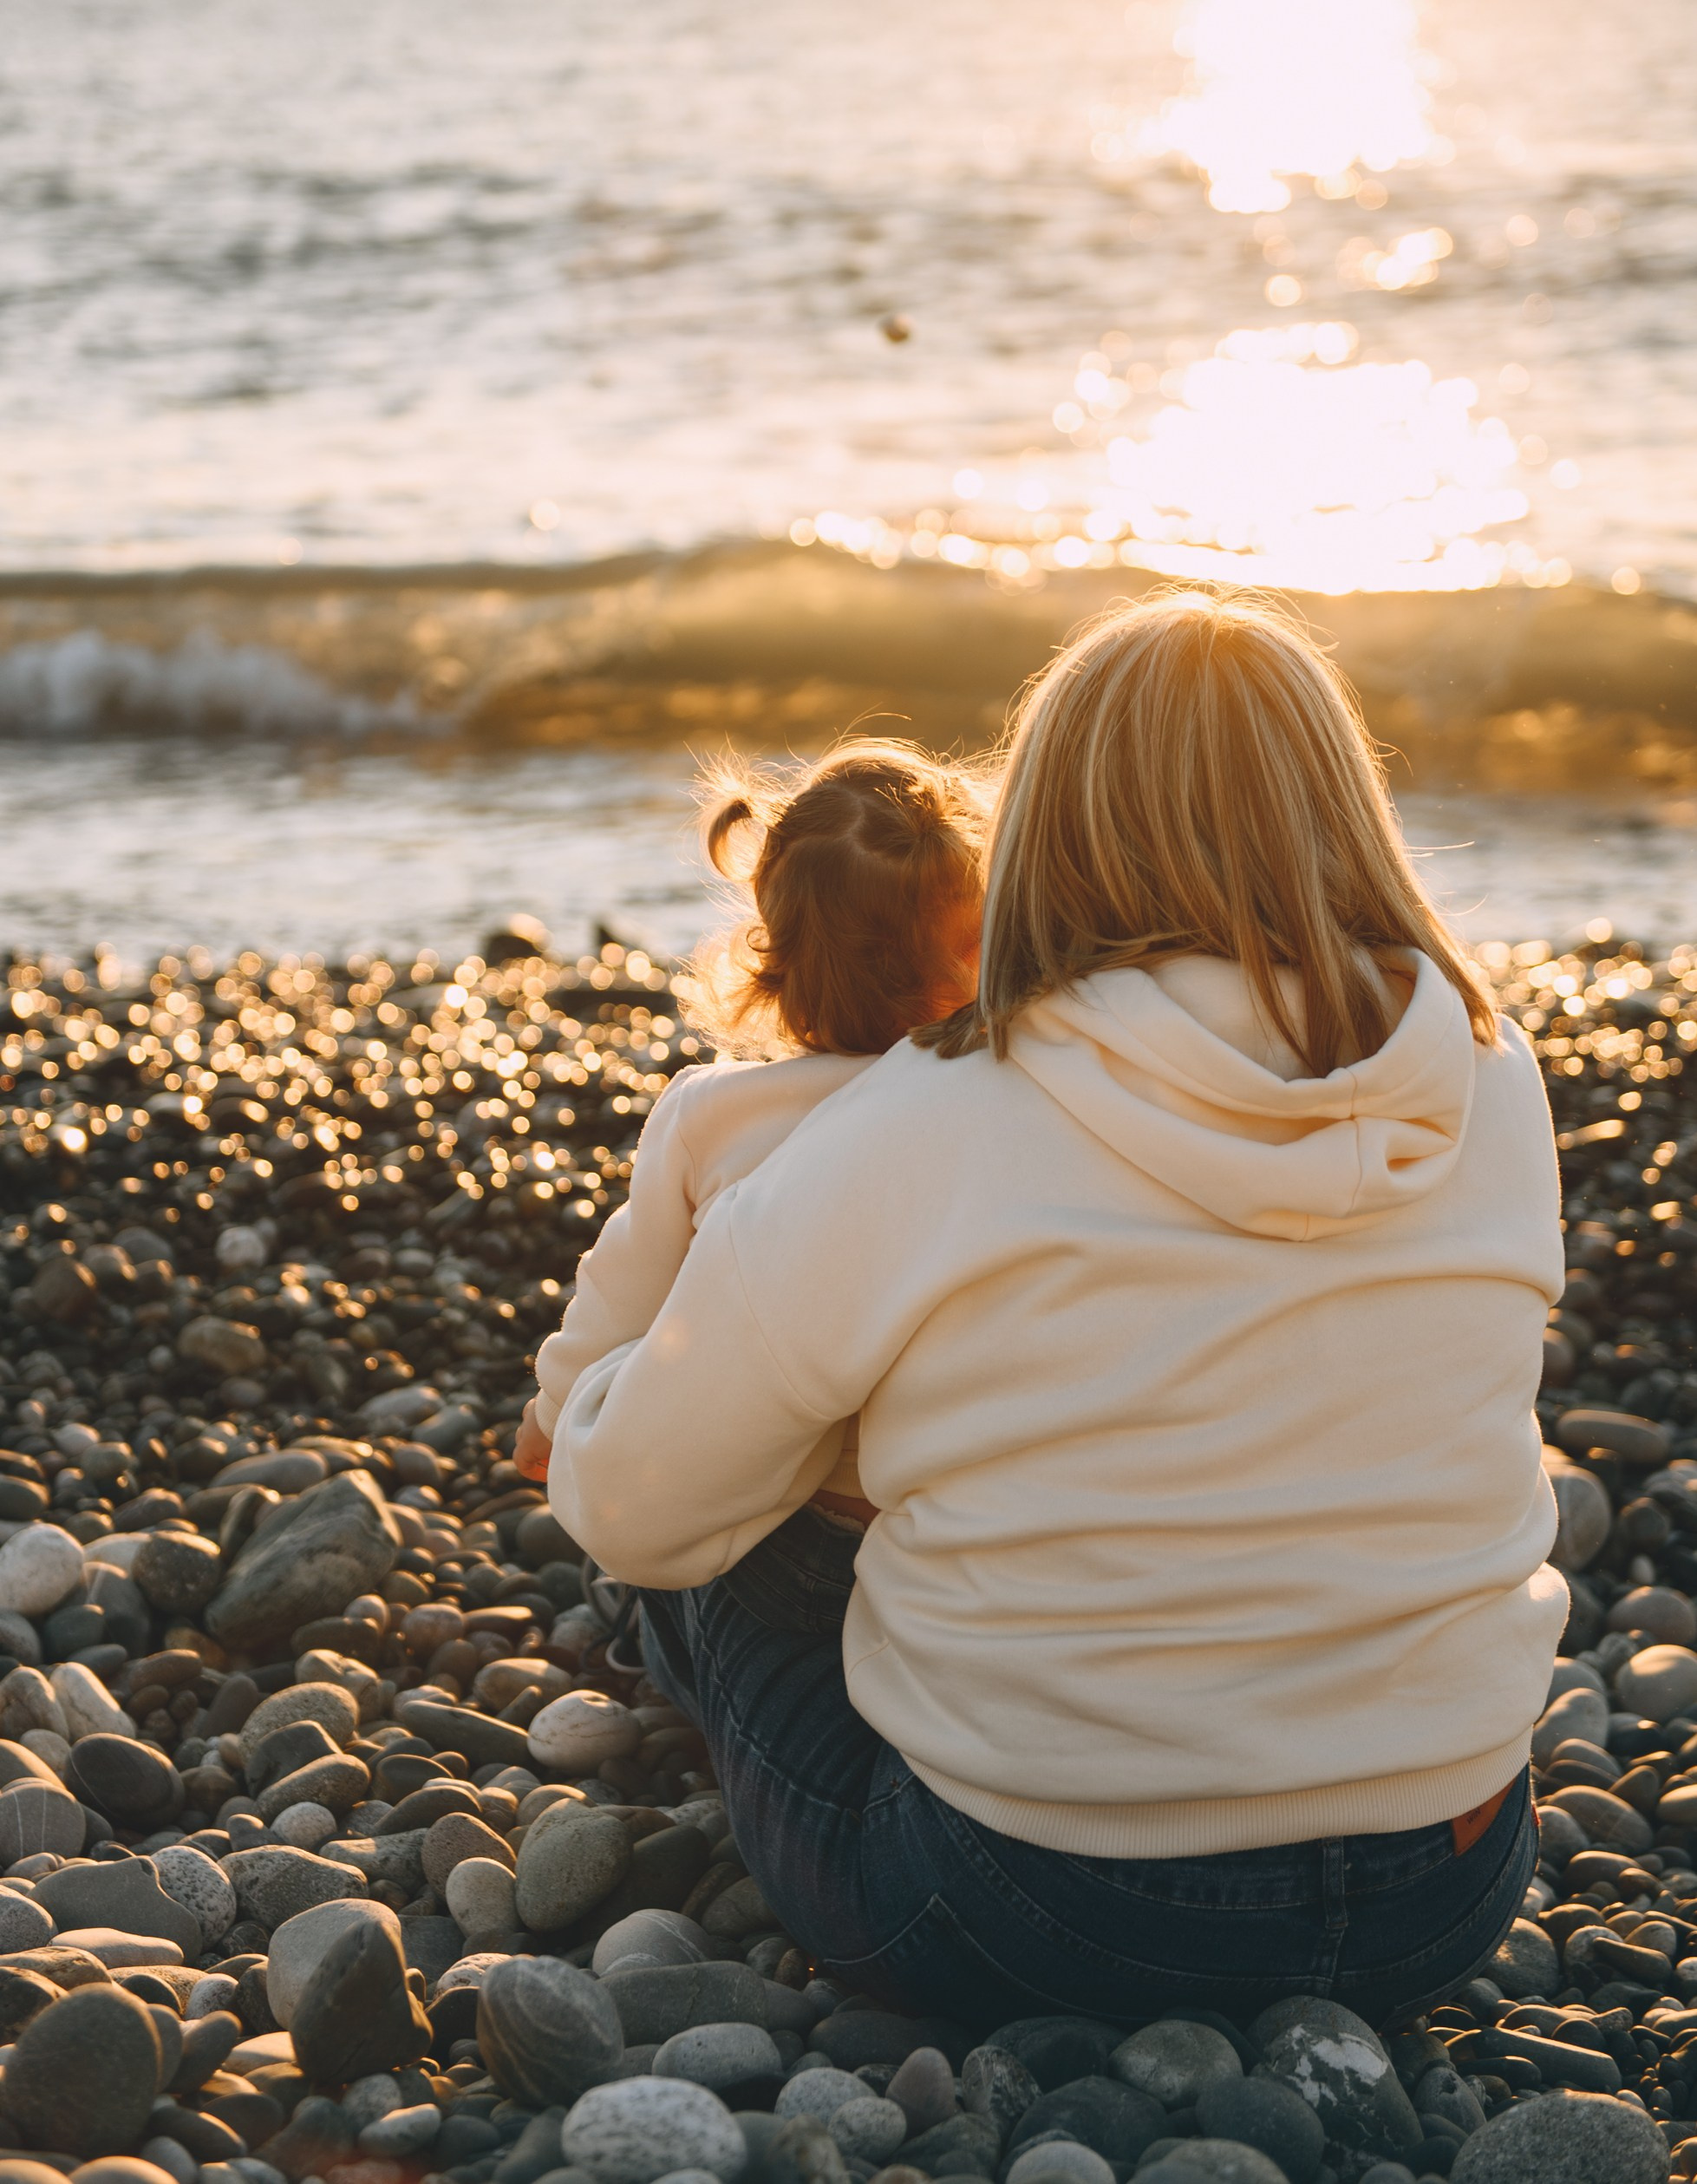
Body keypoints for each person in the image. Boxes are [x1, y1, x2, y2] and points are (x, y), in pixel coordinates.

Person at [549, 592, 1565, 2032]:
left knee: (715, 1535)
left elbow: (633, 1504)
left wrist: (630, 1396)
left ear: (1049, 818)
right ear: (1341, 799)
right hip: (1444, 1881)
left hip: (1052, 1916)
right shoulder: (1482, 1064)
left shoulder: (945, 1101)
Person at [514, 740, 987, 1625]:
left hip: (799, 1530)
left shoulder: (712, 1115)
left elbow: (621, 1295)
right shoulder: (991, 1100)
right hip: (935, 1516)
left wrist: (551, 1412)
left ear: (771, 956)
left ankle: (651, 1642)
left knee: (668, 1578)